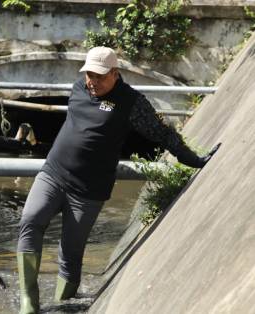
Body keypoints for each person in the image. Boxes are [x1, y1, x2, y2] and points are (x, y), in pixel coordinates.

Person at [16, 47, 220, 314]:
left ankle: (61, 306)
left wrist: (193, 160)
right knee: (30, 220)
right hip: (53, 174)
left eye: (99, 76)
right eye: (89, 74)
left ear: (115, 73)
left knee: (71, 251)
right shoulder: (80, 87)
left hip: (87, 191)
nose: (92, 81)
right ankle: (28, 303)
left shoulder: (131, 102)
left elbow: (162, 134)